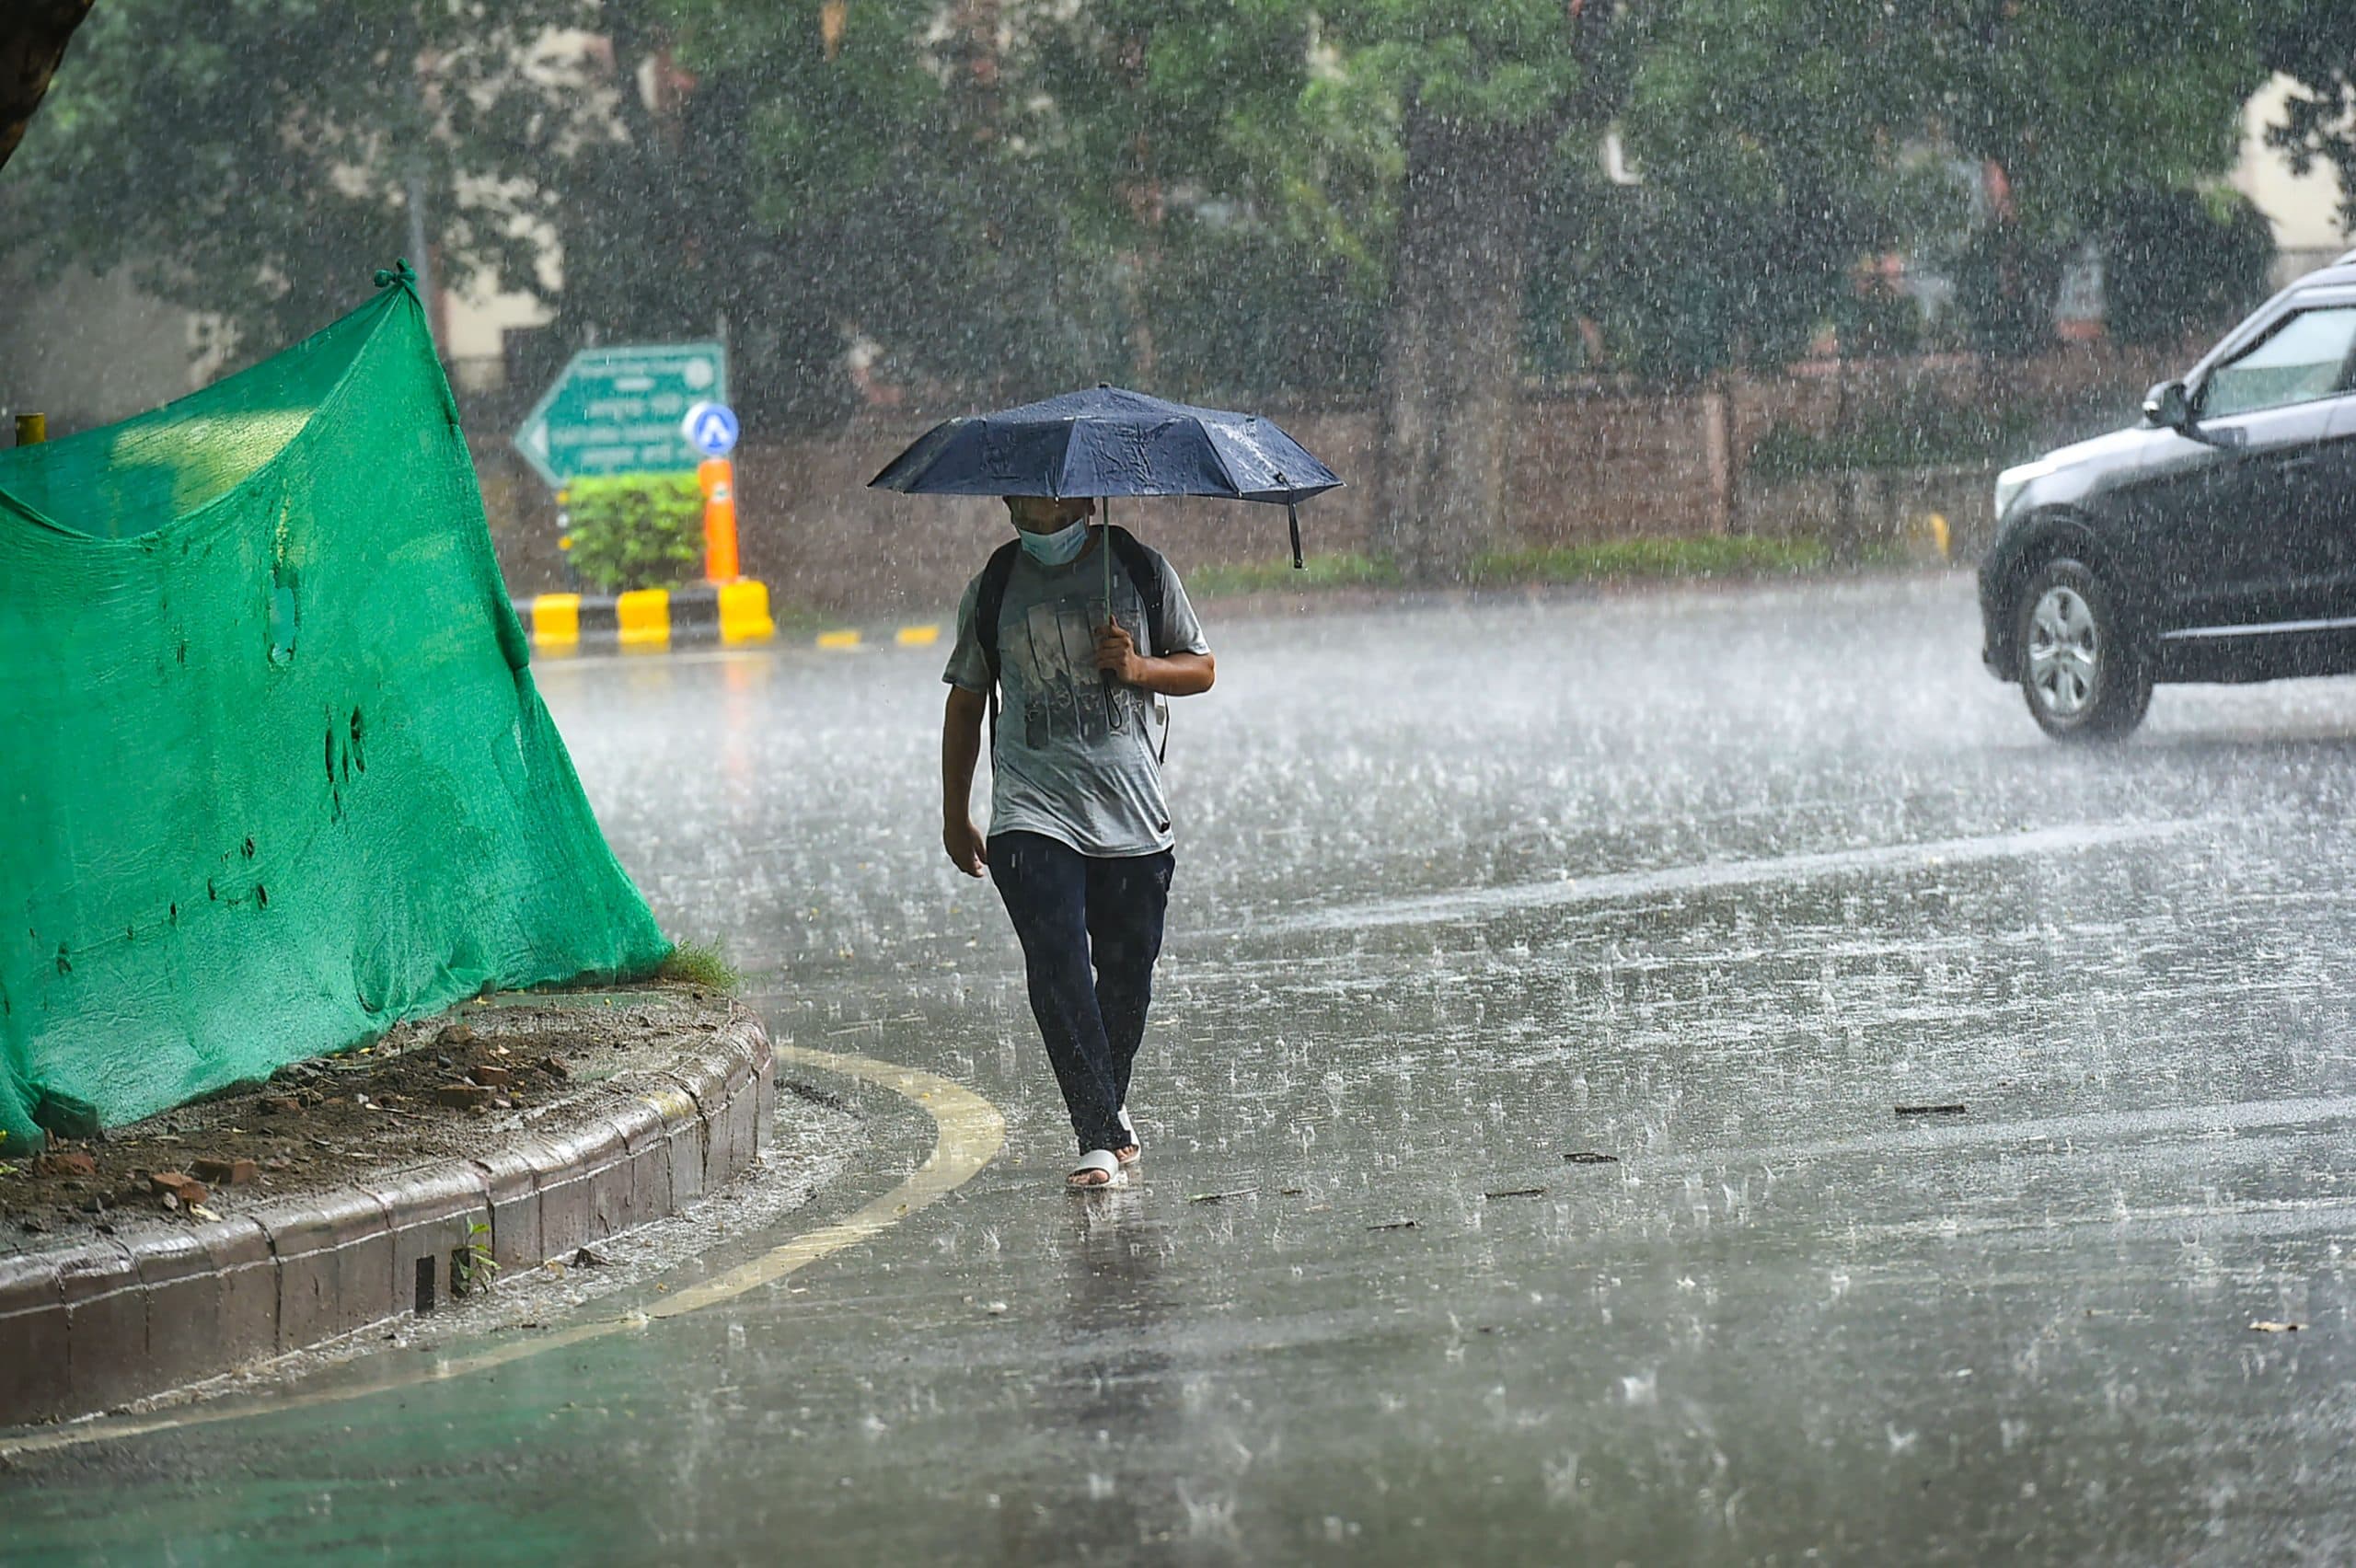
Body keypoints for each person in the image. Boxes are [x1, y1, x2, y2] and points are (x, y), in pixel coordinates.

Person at [941, 495, 1216, 1189]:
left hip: (1132, 816)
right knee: (1057, 966)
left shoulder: (1141, 570)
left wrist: (1140, 668)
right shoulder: (995, 584)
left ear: (1085, 498)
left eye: (1049, 506)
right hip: (1030, 812)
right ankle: (1097, 1133)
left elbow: (1201, 668)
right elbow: (966, 700)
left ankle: (1107, 1110)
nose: (1034, 518)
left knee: (1127, 977)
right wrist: (954, 812)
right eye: (1020, 505)